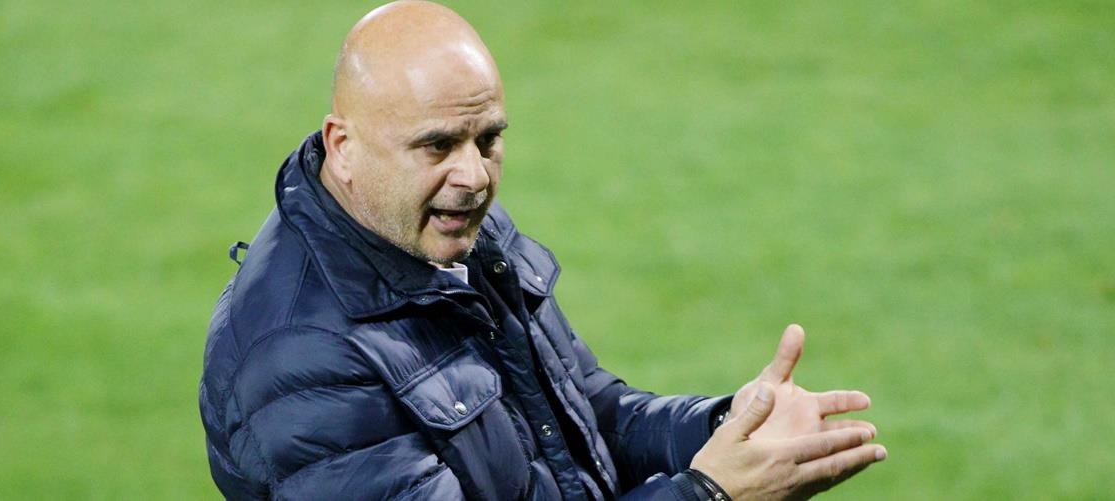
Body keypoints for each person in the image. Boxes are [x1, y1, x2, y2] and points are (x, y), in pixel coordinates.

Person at [198, 2, 886, 499]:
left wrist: (733, 427)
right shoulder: (301, 356)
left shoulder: (447, 229)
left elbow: (589, 415)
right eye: (438, 145)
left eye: (488, 139)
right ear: (344, 147)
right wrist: (711, 491)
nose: (474, 177)